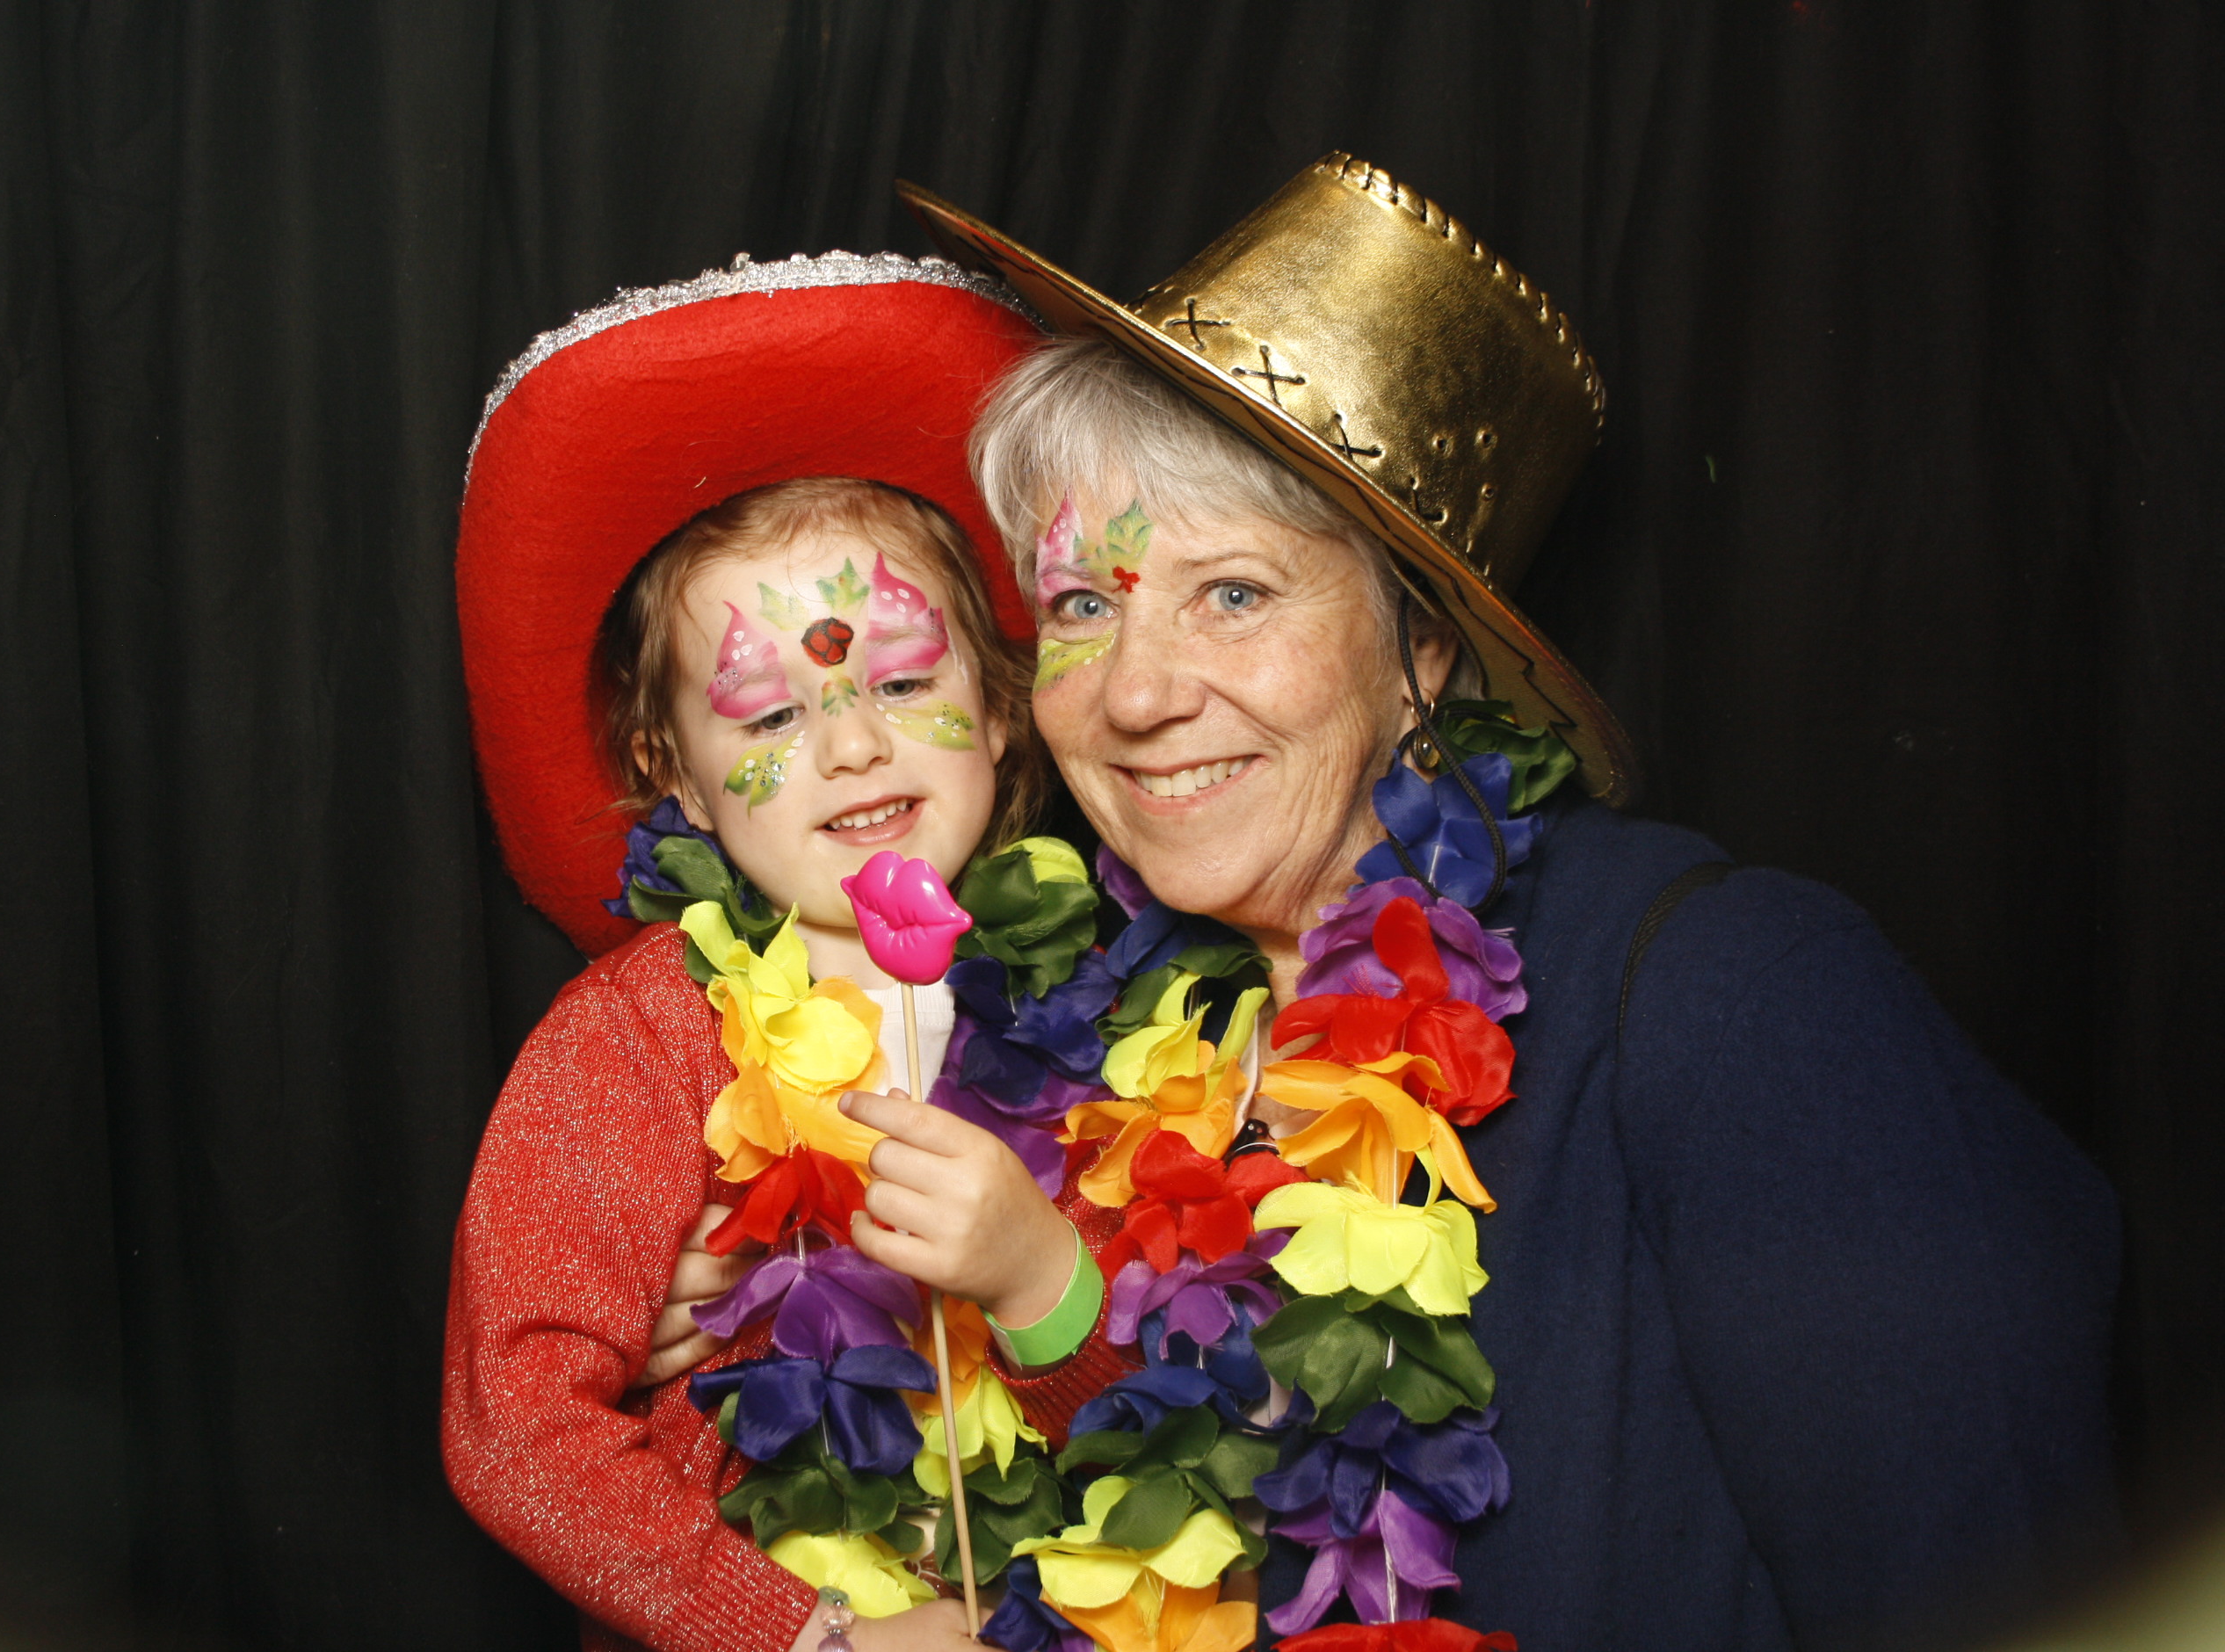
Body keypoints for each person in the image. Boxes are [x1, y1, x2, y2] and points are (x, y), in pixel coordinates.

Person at [892, 156, 2124, 1652]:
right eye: (1085, 604)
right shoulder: (1090, 1056)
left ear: (1420, 646)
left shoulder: (1734, 992)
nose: (1138, 695)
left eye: (1235, 594)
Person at [443, 257, 1116, 1652]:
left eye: (903, 679)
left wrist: (1040, 1278)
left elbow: (1198, 1419)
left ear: (1001, 706)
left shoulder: (1116, 1011)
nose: (854, 745)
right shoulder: (636, 1040)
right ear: (671, 773)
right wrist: (810, 1640)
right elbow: (517, 1427)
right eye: (768, 715)